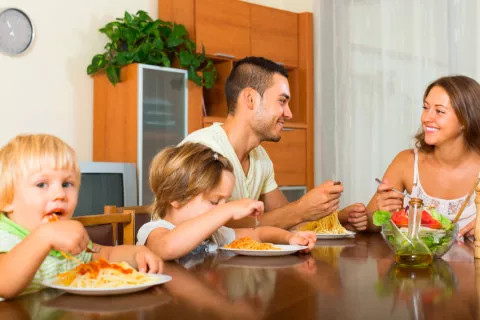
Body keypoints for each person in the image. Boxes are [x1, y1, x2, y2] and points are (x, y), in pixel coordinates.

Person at [181, 56, 367, 231]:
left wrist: (337, 218)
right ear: (250, 99)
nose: (289, 114)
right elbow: (210, 229)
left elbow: (286, 218)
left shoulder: (260, 157)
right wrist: (300, 209)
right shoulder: (201, 149)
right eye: (282, 101)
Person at [0, 134, 163, 299]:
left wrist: (136, 254)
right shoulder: (5, 237)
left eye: (67, 184)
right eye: (41, 184)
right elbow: (4, 283)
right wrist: (43, 238)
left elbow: (105, 255)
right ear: (7, 198)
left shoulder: (66, 238)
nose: (60, 194)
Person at [136, 142, 316, 261]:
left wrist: (290, 238)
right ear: (175, 198)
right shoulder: (155, 231)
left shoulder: (214, 233)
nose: (221, 209)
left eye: (226, 200)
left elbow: (259, 234)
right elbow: (168, 248)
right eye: (215, 201)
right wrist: (227, 210)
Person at [366, 75, 480, 238]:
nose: (426, 118)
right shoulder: (406, 162)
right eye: (426, 108)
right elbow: (368, 223)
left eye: (439, 111)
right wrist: (380, 211)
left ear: (465, 120)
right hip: (414, 263)